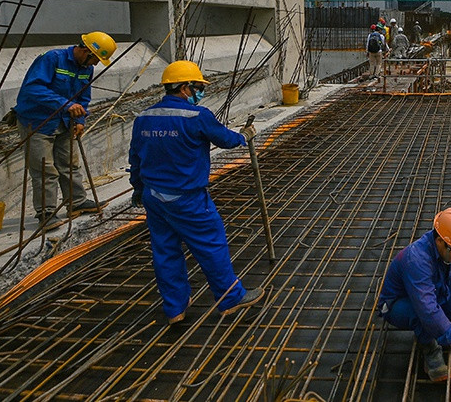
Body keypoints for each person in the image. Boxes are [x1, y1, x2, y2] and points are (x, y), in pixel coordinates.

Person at [128, 60, 264, 325]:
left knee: (165, 251)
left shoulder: (144, 118)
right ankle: (230, 298)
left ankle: (174, 308)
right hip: (188, 198)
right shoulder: (197, 116)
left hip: (154, 198)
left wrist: (138, 189)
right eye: (198, 87)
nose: (200, 92)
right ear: (185, 88)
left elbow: (136, 158)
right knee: (211, 245)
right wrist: (244, 135)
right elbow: (226, 139)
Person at [14, 31, 115, 228]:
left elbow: (83, 97)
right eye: (95, 59)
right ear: (86, 51)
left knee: (69, 164)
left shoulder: (86, 68)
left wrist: (80, 120)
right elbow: (32, 89)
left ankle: (76, 202)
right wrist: (65, 104)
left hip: (65, 122)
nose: (95, 64)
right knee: (44, 169)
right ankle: (46, 213)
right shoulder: (52, 59)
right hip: (38, 122)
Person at [377, 207, 451, 382]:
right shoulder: (417, 259)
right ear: (439, 241)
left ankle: (438, 330)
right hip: (398, 304)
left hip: (432, 293)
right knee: (423, 314)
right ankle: (430, 349)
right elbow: (427, 309)